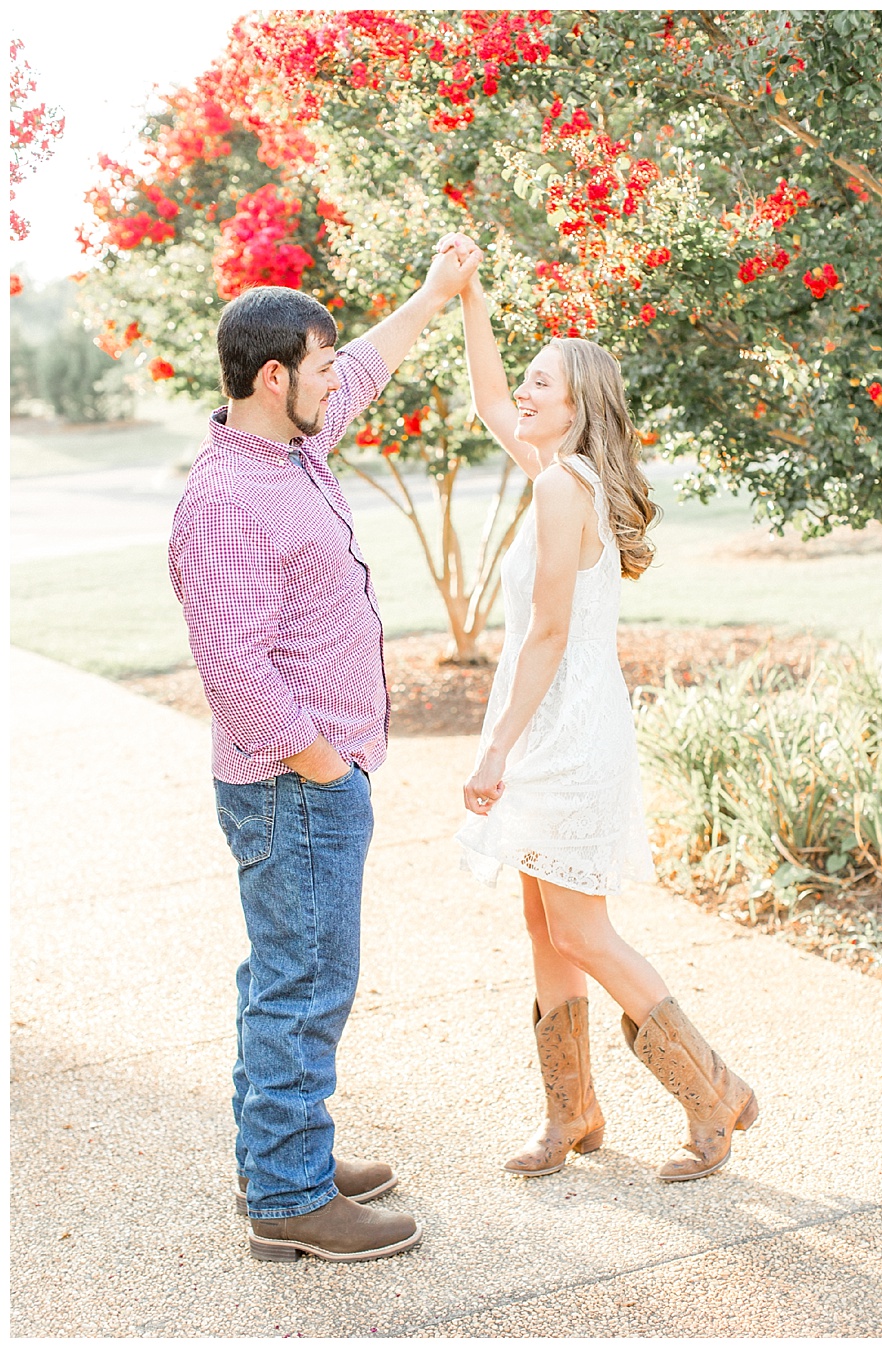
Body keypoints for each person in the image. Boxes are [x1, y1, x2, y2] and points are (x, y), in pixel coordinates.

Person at [170, 241, 481, 1263]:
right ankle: (291, 1196)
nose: (334, 379)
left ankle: (281, 1149)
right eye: (318, 366)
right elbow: (233, 665)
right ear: (272, 378)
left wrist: (435, 294)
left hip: (313, 779)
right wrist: (315, 763)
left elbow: (372, 367)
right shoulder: (222, 499)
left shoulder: (293, 445)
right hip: (290, 786)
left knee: (284, 973)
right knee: (305, 982)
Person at [448, 242, 759, 1184]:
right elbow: (488, 401)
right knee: (544, 926)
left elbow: (545, 634)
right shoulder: (563, 472)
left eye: (545, 382)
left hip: (562, 731)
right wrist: (471, 297)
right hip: (560, 721)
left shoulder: (556, 486)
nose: (527, 394)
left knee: (581, 929)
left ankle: (716, 1091)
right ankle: (571, 1111)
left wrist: (495, 745)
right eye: (531, 379)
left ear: (579, 404)